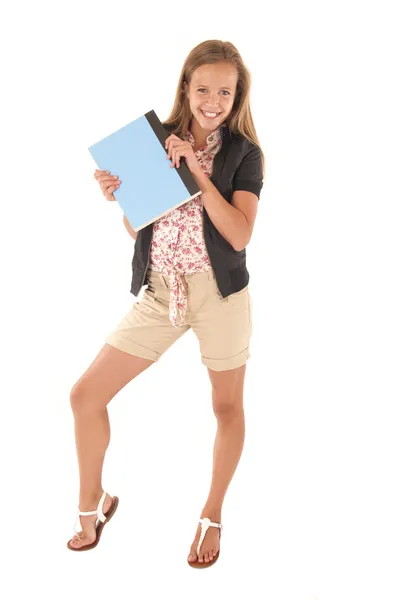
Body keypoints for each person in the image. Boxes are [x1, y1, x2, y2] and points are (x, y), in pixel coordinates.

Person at [67, 39, 265, 568]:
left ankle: (213, 512)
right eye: (203, 88)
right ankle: (95, 502)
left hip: (220, 296)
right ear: (186, 87)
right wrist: (120, 197)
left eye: (225, 91)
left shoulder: (244, 154)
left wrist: (197, 172)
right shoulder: (154, 142)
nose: (212, 100)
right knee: (85, 395)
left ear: (236, 95)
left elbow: (239, 234)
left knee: (226, 408)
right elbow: (140, 226)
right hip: (162, 291)